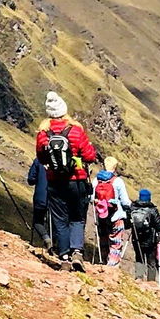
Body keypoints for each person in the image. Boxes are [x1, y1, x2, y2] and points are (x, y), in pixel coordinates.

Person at [35, 91, 98, 272]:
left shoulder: (43, 133)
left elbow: (41, 157)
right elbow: (90, 156)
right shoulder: (76, 131)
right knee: (77, 218)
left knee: (60, 219)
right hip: (77, 180)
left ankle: (64, 258)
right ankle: (77, 252)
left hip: (55, 182)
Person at [91, 157, 131, 267]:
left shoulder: (96, 180)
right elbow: (125, 202)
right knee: (116, 242)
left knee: (103, 240)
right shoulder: (118, 181)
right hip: (116, 216)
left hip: (102, 215)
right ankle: (112, 265)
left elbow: (91, 198)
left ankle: (103, 262)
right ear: (115, 167)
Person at [129, 189, 160, 283]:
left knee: (139, 257)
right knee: (151, 261)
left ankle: (139, 278)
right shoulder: (152, 210)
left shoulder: (133, 207)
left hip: (136, 238)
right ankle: (151, 281)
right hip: (149, 240)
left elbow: (128, 222)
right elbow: (159, 226)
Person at [26, 157, 51, 251]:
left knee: (37, 221)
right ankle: (58, 247)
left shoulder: (39, 160)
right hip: (56, 198)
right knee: (57, 223)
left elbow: (31, 179)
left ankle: (46, 238)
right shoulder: (62, 159)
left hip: (40, 196)